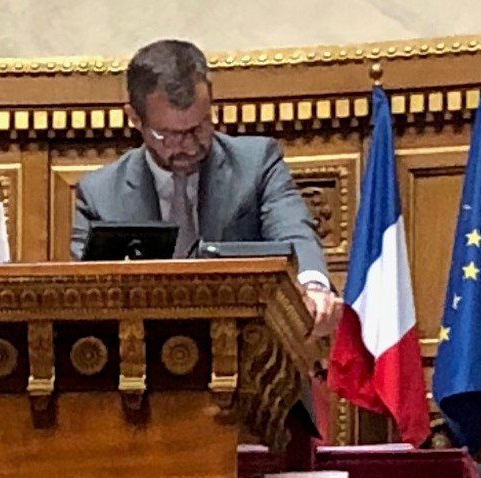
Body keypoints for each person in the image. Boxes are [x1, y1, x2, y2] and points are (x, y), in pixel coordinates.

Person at [72, 39, 343, 339]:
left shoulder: (257, 164)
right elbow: (86, 299)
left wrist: (313, 286)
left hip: (253, 350)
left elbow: (294, 232)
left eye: (200, 127)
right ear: (135, 119)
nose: (188, 145)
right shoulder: (100, 195)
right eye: (170, 135)